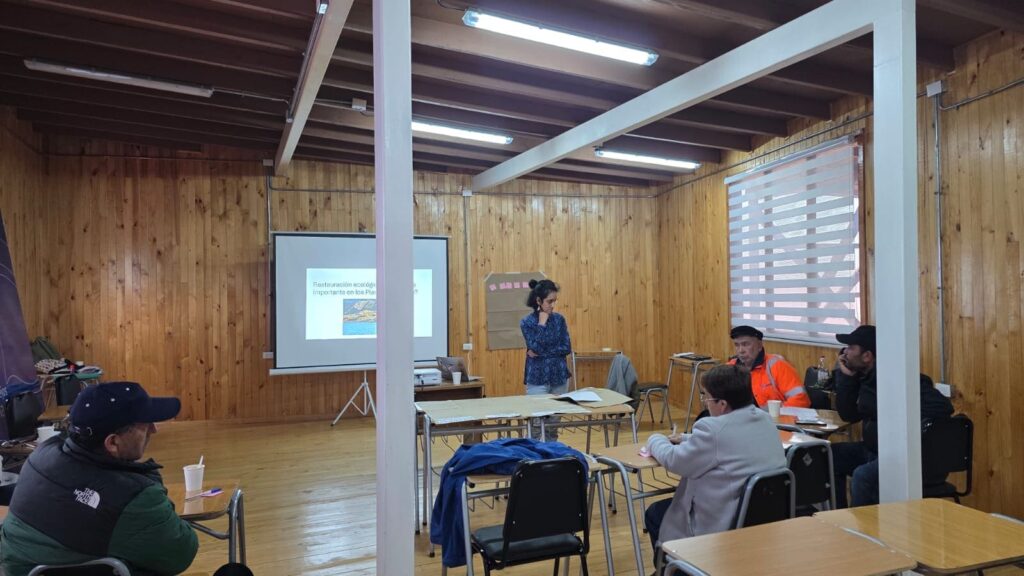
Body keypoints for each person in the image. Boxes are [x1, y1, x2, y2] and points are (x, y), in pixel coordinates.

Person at [0, 382, 199, 576]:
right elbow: (181, 552)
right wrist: (149, 483)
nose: (153, 430)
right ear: (113, 442)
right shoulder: (133, 497)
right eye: (145, 425)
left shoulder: (42, 454)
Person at [644, 364, 786, 557]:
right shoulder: (765, 419)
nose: (705, 403)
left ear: (722, 404)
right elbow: (731, 442)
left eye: (706, 397)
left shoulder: (712, 429)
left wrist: (655, 439)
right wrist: (687, 438)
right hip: (760, 525)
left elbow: (674, 460)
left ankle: (675, 568)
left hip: (718, 528)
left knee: (655, 513)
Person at [831, 325, 954, 507]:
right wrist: (846, 378)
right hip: (874, 450)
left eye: (850, 348)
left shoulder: (902, 379)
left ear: (867, 356)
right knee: (830, 456)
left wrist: (890, 408)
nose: (844, 353)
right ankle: (837, 518)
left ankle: (862, 533)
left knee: (862, 476)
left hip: (903, 457)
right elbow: (848, 414)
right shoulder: (862, 378)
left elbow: (943, 407)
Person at [520, 278, 572, 441]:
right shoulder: (527, 322)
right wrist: (541, 324)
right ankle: (534, 463)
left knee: (552, 427)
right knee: (535, 427)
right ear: (538, 301)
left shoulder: (559, 320)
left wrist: (542, 352)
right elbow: (534, 347)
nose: (553, 305)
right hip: (537, 378)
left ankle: (553, 461)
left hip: (559, 377)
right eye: (550, 301)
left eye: (555, 301)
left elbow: (566, 347)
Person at [728, 325, 810, 408]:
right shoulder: (730, 368)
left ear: (759, 346)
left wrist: (775, 414)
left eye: (745, 344)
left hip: (775, 419)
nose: (741, 350)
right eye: (737, 345)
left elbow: (801, 400)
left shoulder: (777, 366)